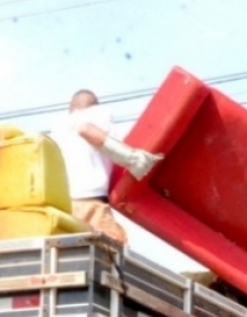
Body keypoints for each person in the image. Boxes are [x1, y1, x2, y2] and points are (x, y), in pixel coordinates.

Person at [48, 89, 162, 244]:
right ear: (94, 105)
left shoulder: (57, 129)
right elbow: (86, 129)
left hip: (64, 209)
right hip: (91, 205)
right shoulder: (97, 114)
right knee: (114, 251)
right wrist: (132, 158)